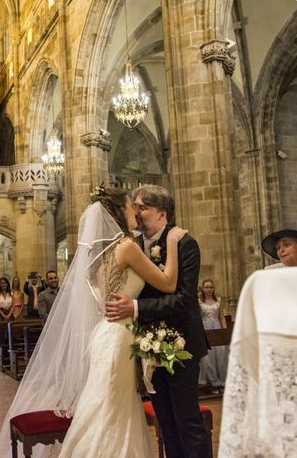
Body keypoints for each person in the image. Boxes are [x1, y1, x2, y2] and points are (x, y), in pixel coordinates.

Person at [0, 186, 188, 457]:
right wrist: (172, 242)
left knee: (104, 403)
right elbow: (168, 283)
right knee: (115, 409)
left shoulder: (97, 255)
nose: (135, 210)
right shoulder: (127, 246)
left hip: (104, 334)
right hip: (119, 336)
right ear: (119, 211)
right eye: (131, 206)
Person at [106, 184, 211, 458]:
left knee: (187, 422)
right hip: (148, 347)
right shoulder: (135, 246)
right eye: (135, 207)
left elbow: (184, 299)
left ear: (162, 213)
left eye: (143, 207)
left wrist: (136, 307)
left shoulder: (185, 243)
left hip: (181, 345)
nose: (137, 213)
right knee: (165, 423)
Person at [198, 279, 228, 395]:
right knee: (208, 358)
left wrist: (224, 332)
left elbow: (221, 317)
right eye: (206, 287)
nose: (209, 289)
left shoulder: (218, 301)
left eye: (211, 287)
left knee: (220, 356)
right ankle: (213, 383)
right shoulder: (199, 302)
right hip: (206, 329)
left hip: (217, 328)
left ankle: (222, 382)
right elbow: (198, 318)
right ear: (202, 288)